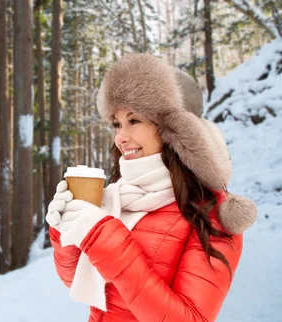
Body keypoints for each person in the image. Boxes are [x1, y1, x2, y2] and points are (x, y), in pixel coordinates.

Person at [45, 53, 258, 322]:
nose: (121, 137)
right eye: (116, 124)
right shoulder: (117, 196)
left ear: (172, 129)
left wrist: (102, 235)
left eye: (134, 121)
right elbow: (80, 283)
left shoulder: (212, 215)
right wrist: (65, 233)